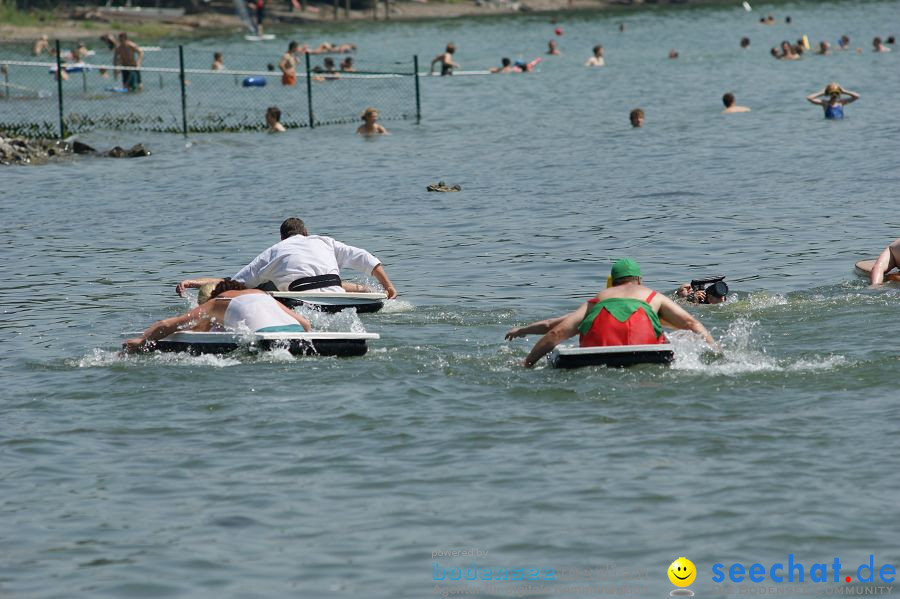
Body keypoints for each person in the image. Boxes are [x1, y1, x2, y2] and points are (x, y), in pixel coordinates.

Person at [505, 259, 715, 368]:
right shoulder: (653, 297)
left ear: (613, 283)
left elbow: (554, 331)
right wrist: (717, 352)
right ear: (639, 280)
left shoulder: (598, 301)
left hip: (596, 356)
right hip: (648, 354)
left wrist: (527, 362)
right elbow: (691, 322)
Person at [175, 217, 398, 299]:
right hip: (336, 293)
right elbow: (365, 258)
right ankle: (367, 292)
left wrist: (194, 283)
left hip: (300, 300)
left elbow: (233, 284)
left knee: (263, 286)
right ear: (306, 233)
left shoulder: (273, 251)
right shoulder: (324, 241)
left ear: (282, 238)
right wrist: (388, 288)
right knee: (335, 283)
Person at [123, 280, 311, 353]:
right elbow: (305, 323)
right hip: (300, 336)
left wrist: (141, 341)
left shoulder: (218, 301)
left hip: (269, 343)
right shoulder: (261, 294)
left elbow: (170, 324)